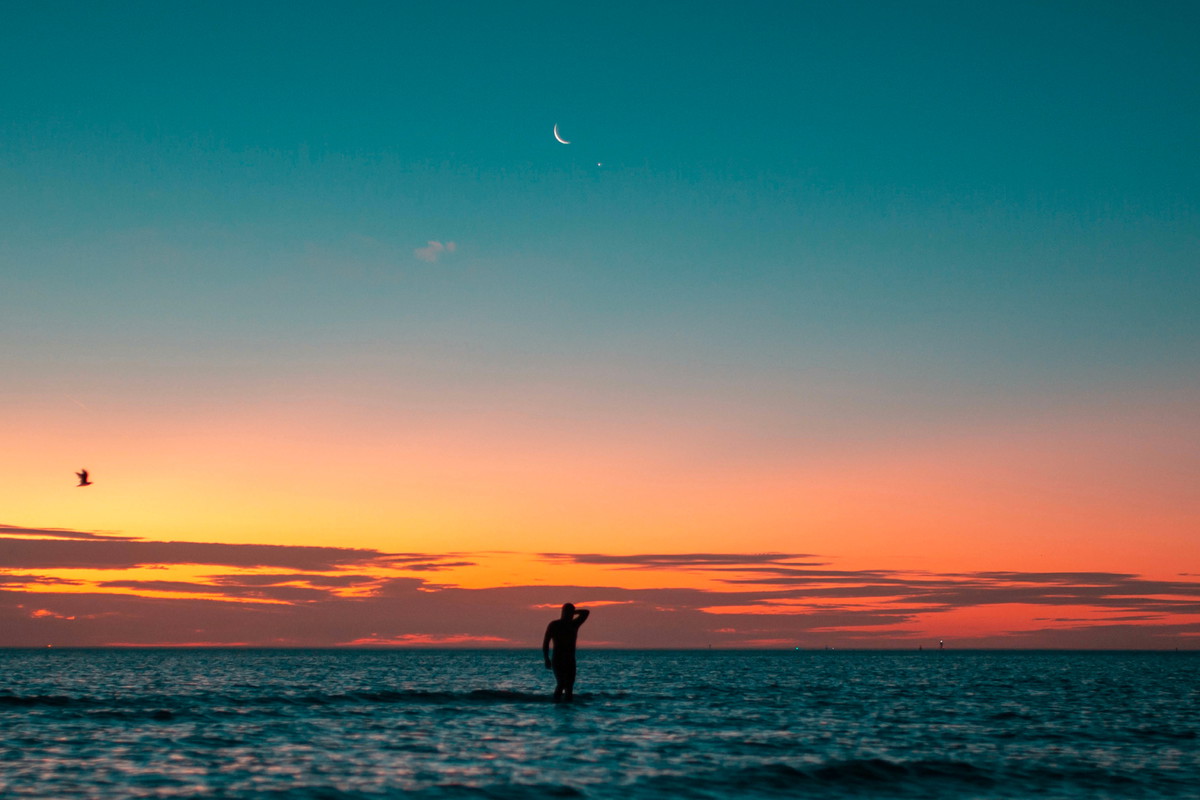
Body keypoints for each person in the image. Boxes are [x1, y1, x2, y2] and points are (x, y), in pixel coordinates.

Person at [543, 603, 589, 702]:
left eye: (571, 612)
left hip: (570, 659)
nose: (569, 615)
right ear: (562, 612)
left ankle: (568, 706)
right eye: (567, 612)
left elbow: (586, 612)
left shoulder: (574, 624)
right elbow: (546, 642)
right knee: (561, 683)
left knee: (569, 686)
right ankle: (556, 703)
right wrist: (546, 658)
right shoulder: (554, 625)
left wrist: (574, 612)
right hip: (558, 658)